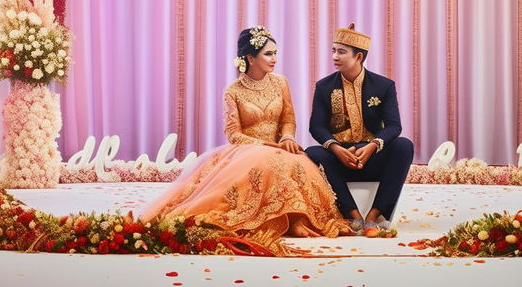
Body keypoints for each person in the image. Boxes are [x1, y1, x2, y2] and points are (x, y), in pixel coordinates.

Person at [141, 26, 349, 239]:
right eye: (268, 53)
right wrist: (266, 146)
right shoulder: (233, 91)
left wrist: (287, 137)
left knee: (299, 165)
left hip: (281, 147)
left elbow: (288, 118)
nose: (274, 58)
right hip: (248, 149)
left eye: (275, 53)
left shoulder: (280, 82)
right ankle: (274, 221)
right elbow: (233, 133)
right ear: (250, 57)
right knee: (263, 164)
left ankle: (299, 220)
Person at [305, 23, 414, 236]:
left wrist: (372, 146)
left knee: (404, 146)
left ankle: (376, 214)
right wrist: (337, 149)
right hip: (339, 159)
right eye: (334, 50)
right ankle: (352, 214)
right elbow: (316, 126)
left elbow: (394, 126)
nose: (335, 56)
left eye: (341, 52)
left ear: (359, 57)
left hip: (372, 155)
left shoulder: (384, 86)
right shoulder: (324, 86)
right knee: (312, 153)